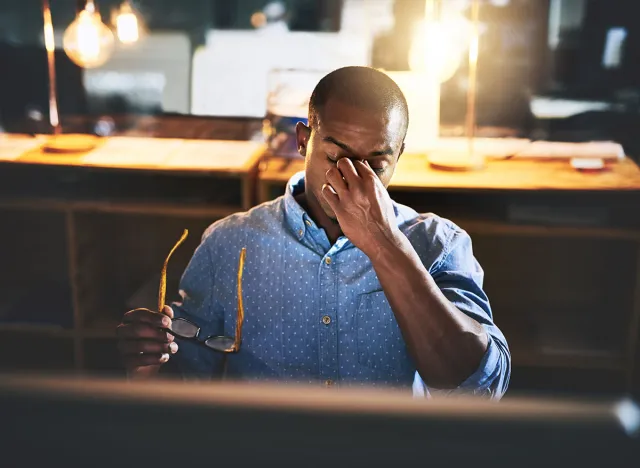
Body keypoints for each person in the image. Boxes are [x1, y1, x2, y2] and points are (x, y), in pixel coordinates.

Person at [116, 66, 510, 398]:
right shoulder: (229, 243)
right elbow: (185, 381)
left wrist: (383, 243)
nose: (351, 179)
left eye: (376, 163)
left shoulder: (439, 244)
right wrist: (150, 360)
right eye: (336, 156)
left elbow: (480, 385)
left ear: (399, 157)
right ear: (304, 141)